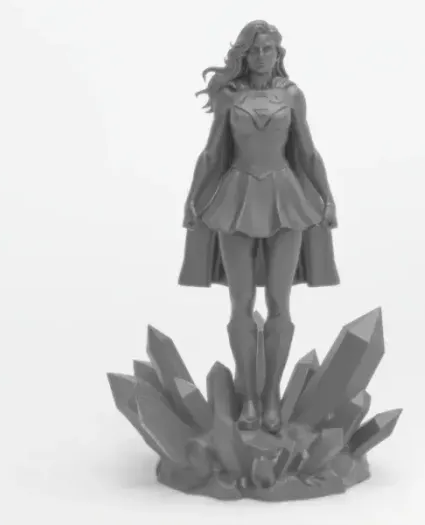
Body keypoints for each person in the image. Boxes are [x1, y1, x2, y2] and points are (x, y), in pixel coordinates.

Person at [178, 20, 339, 433]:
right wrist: (192, 198)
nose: (263, 56)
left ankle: (271, 398)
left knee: (280, 304)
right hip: (236, 198)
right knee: (240, 303)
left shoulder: (292, 94)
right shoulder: (230, 96)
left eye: (269, 49)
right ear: (244, 55)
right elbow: (212, 154)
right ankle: (248, 397)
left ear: (278, 53)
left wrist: (327, 197)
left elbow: (307, 152)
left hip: (285, 200)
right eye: (255, 50)